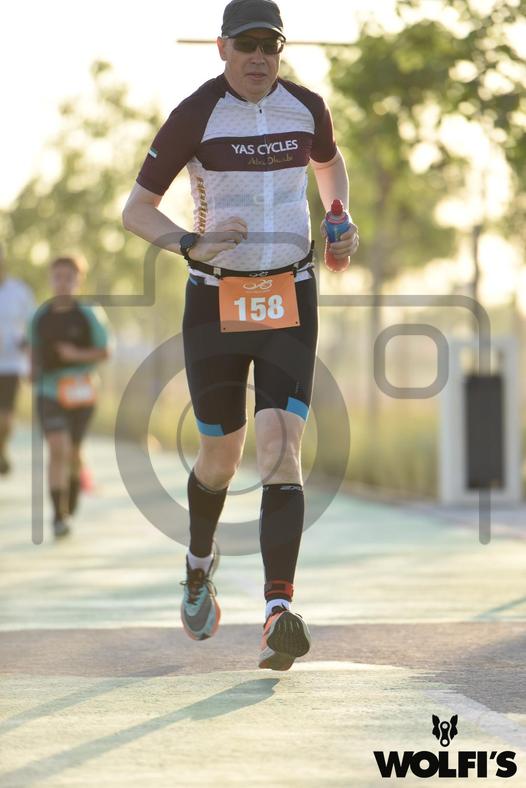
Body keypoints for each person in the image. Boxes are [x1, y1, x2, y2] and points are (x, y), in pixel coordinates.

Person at [122, 0, 359, 670]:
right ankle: (199, 564)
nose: (259, 57)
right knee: (221, 458)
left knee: (282, 448)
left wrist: (340, 217)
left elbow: (329, 164)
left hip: (291, 295)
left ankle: (278, 610)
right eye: (246, 44)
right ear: (222, 48)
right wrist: (188, 241)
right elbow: (136, 211)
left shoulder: (307, 108)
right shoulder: (195, 114)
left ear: (281, 51)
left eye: (270, 46)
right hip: (215, 302)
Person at [29, 256, 110, 538]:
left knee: (73, 452)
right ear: (50, 279)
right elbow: (33, 347)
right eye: (57, 276)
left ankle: (72, 494)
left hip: (82, 393)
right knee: (57, 448)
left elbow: (105, 352)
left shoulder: (89, 313)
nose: (62, 282)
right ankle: (57, 516)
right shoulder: (40, 315)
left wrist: (76, 355)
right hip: (48, 392)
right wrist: (32, 368)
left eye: (69, 277)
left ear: (79, 281)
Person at [0, 243, 36, 475]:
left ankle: (1, 448)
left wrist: (29, 352)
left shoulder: (20, 291)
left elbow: (33, 327)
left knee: (5, 419)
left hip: (11, 366)